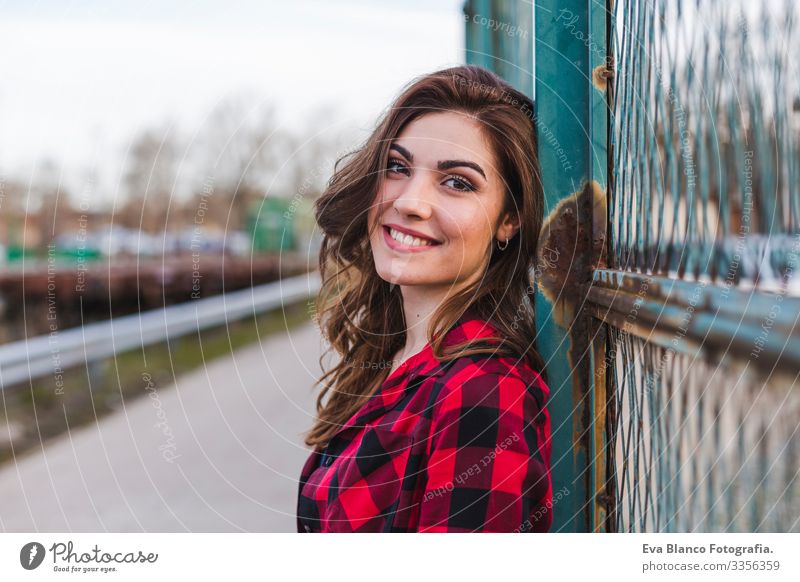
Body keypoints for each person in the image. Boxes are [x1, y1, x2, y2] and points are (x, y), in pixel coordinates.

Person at [297, 64, 552, 533]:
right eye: (397, 167)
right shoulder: (396, 357)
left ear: (509, 219)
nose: (410, 201)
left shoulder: (483, 393)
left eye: (457, 182)